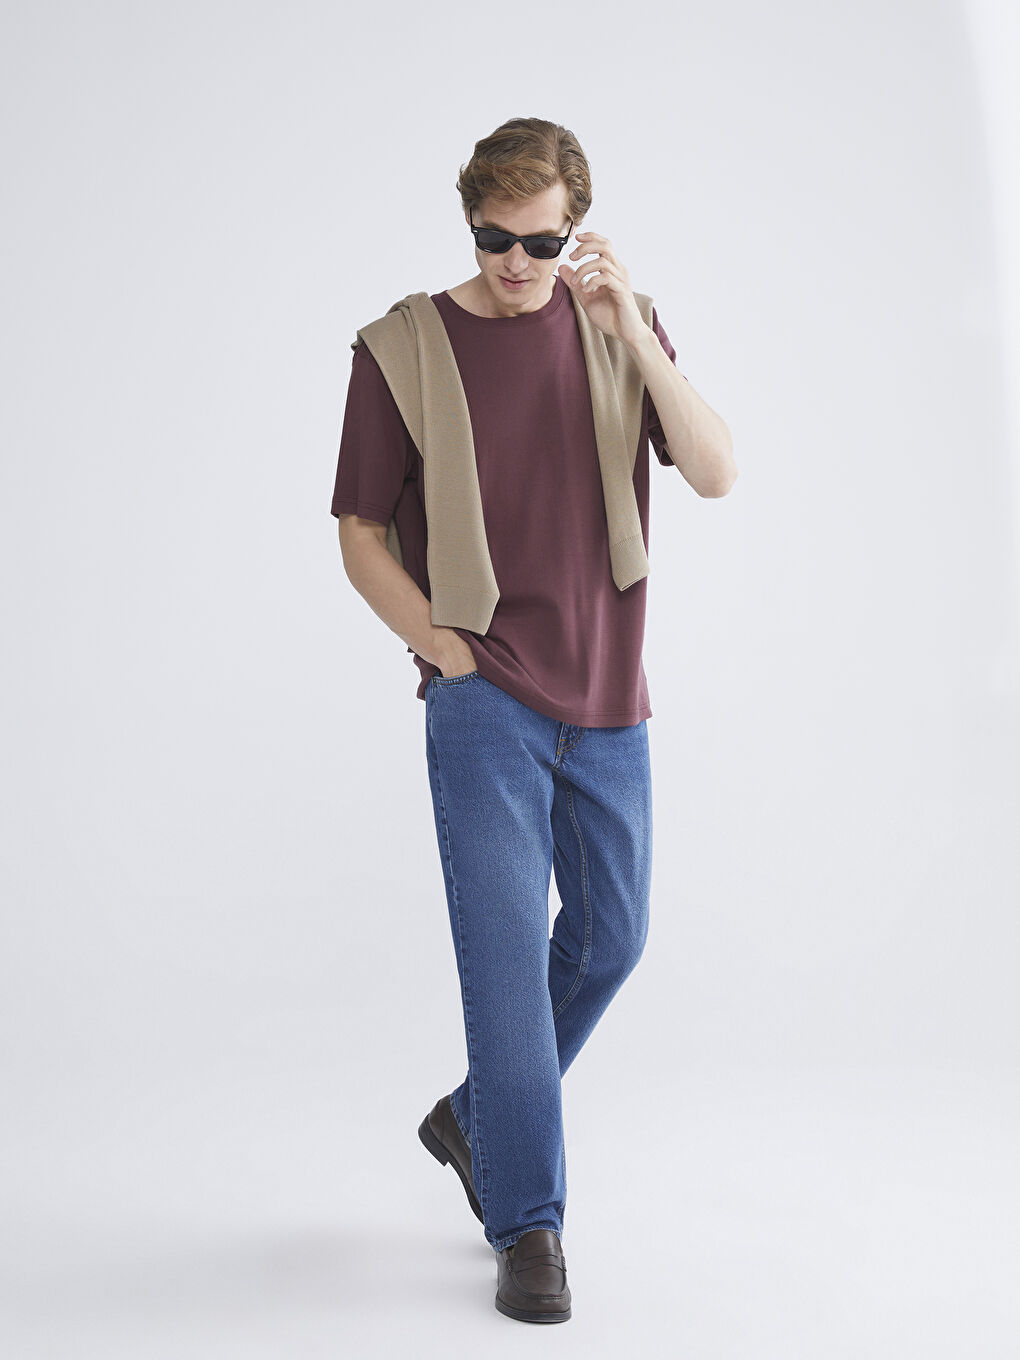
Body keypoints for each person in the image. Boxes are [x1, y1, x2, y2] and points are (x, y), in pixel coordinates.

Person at [330, 117, 736, 1324]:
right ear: (470, 223)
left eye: (541, 242)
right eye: (493, 238)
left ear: (579, 231)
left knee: (612, 938)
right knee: (507, 969)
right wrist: (443, 646)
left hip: (607, 693)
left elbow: (715, 468)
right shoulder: (402, 347)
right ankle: (529, 1223)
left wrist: (634, 336)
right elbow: (359, 531)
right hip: (485, 705)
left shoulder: (618, 327)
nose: (516, 262)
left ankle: (477, 1118)